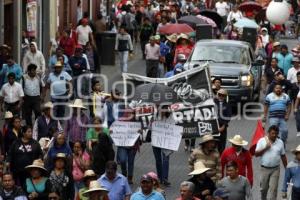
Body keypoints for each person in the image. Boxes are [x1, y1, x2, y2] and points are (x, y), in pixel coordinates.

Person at [255, 125, 287, 200]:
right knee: (263, 189)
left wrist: (287, 168)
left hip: (275, 169)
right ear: (268, 133)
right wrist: (265, 148)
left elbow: (283, 156)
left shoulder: (280, 142)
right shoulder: (262, 141)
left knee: (273, 190)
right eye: (272, 133)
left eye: (276, 133)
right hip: (264, 169)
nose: (274, 135)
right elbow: (256, 154)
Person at [214, 89, 231, 153]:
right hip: (213, 126)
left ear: (225, 96)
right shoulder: (213, 102)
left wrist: (223, 126)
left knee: (221, 144)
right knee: (212, 143)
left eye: (223, 95)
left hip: (222, 127)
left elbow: (228, 116)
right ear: (217, 95)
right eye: (219, 95)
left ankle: (221, 157)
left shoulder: (227, 105)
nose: (221, 96)